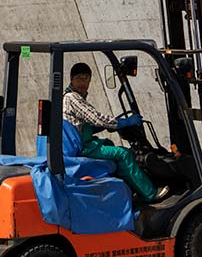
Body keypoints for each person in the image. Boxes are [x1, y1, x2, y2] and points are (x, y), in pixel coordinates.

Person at [63, 62, 169, 203]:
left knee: (109, 144)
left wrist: (105, 127)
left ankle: (132, 189)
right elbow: (95, 118)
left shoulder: (71, 97)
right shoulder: (72, 97)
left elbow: (83, 124)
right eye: (79, 78)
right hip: (82, 147)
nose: (83, 82)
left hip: (81, 143)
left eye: (86, 78)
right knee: (123, 154)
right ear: (71, 79)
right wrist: (124, 122)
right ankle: (150, 194)